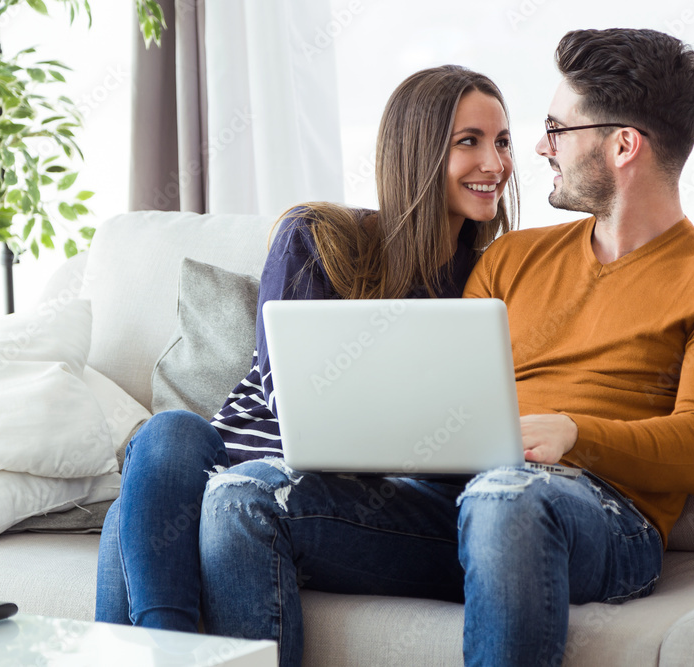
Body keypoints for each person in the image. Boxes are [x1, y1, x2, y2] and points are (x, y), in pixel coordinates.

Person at [198, 28, 694, 666]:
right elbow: (444, 392)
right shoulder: (511, 258)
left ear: (622, 145)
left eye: (557, 129)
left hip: (601, 518)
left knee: (506, 494)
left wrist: (573, 433)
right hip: (456, 502)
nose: (536, 148)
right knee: (241, 496)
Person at [93, 64, 517, 631]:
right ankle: (167, 646)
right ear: (417, 152)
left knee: (132, 517)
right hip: (239, 463)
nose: (496, 164)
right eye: (470, 142)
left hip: (341, 506)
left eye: (503, 142)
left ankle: (165, 648)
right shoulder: (322, 239)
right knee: (166, 435)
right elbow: (286, 394)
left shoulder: (497, 278)